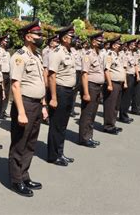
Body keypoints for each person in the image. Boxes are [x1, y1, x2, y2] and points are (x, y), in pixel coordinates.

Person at [8, 19, 48, 197]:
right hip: (25, 105)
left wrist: (44, 105)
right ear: (28, 36)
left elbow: (40, 82)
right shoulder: (19, 57)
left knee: (31, 144)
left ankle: (25, 175)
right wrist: (21, 112)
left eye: (41, 34)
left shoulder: (37, 55)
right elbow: (15, 85)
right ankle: (16, 180)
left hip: (37, 105)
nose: (41, 37)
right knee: (20, 144)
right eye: (38, 34)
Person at [47, 24, 76, 166]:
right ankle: (53, 155)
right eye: (72, 36)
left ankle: (60, 152)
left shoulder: (68, 51)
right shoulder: (57, 52)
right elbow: (52, 75)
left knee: (63, 124)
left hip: (69, 91)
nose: (74, 39)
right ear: (64, 38)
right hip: (60, 91)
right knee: (56, 124)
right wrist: (53, 97)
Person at [78, 31, 105, 148]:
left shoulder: (98, 54)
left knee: (93, 113)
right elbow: (84, 74)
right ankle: (84, 138)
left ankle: (89, 136)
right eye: (100, 41)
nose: (102, 43)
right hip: (90, 86)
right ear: (94, 42)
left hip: (97, 87)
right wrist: (86, 92)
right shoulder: (88, 55)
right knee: (87, 113)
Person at [103, 36, 126, 135]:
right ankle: (108, 126)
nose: (120, 46)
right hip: (112, 83)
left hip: (119, 83)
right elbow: (106, 70)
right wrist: (109, 84)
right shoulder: (109, 55)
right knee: (110, 105)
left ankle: (113, 124)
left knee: (116, 105)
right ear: (114, 45)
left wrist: (124, 82)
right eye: (119, 44)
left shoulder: (118, 55)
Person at [119, 39, 137, 124]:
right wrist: (125, 82)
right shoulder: (125, 54)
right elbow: (124, 69)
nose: (134, 46)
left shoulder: (131, 54)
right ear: (129, 45)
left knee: (128, 97)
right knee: (125, 98)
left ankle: (125, 114)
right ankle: (123, 116)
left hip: (132, 76)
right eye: (133, 44)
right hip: (127, 76)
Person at [0, 34, 11, 119]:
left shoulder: (7, 52)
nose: (6, 42)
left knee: (6, 94)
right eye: (5, 41)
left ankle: (3, 111)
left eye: (7, 41)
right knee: (1, 94)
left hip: (7, 74)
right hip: (2, 74)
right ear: (1, 41)